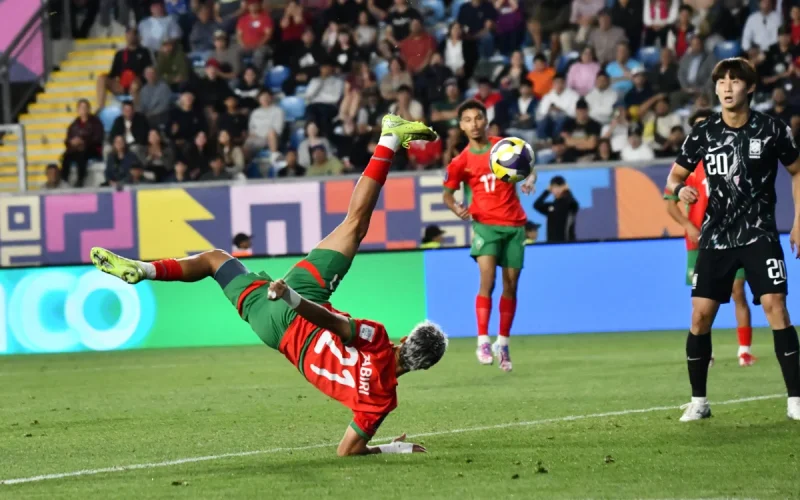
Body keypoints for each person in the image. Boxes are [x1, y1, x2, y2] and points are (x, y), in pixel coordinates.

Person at [89, 115, 446, 456]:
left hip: (299, 303)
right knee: (217, 263)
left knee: (350, 225)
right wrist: (392, 447)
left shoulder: (379, 340)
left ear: (405, 340)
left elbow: (331, 323)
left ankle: (146, 269)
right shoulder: (382, 402)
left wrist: (291, 297)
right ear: (422, 367)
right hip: (275, 327)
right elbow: (347, 451)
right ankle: (391, 135)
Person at [665, 58, 800, 422]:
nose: (726, 87)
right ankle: (699, 401)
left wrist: (799, 220)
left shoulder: (772, 129)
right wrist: (682, 192)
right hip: (715, 237)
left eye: (735, 81)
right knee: (700, 316)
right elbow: (673, 178)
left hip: (759, 233)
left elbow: (797, 171)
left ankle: (796, 400)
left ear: (750, 88)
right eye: (721, 81)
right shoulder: (703, 133)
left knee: (776, 306)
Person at [442, 101, 536, 372]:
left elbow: (528, 167)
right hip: (485, 225)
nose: (474, 124)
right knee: (489, 280)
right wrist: (456, 206)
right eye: (468, 120)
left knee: (511, 285)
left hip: (515, 224)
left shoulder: (504, 146)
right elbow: (447, 194)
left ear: (485, 120)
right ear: (461, 126)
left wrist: (529, 179)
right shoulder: (461, 161)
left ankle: (502, 343)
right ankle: (482, 339)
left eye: (478, 118)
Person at [664, 109, 755, 367]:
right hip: (698, 242)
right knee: (703, 301)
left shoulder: (730, 158)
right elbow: (670, 205)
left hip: (731, 237)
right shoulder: (684, 166)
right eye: (698, 127)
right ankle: (707, 351)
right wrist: (688, 226)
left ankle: (744, 350)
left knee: (738, 291)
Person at [533, 175, 579, 242]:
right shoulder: (551, 206)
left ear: (564, 187)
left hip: (567, 242)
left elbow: (574, 204)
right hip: (551, 243)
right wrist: (547, 191)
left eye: (559, 187)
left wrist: (567, 191)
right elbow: (536, 205)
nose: (557, 190)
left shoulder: (569, 204)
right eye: (554, 187)